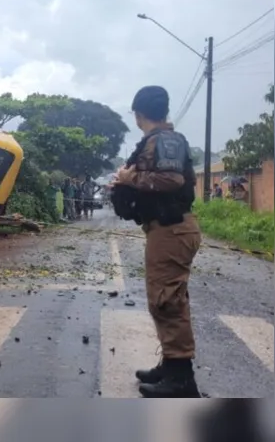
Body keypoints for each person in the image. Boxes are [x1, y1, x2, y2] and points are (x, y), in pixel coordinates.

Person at [113, 85, 201, 398]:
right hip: (166, 229)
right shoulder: (162, 140)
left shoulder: (163, 139)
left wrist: (128, 179)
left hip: (172, 229)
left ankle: (181, 380)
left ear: (138, 114)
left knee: (168, 300)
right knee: (163, 298)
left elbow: (171, 180)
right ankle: (171, 365)